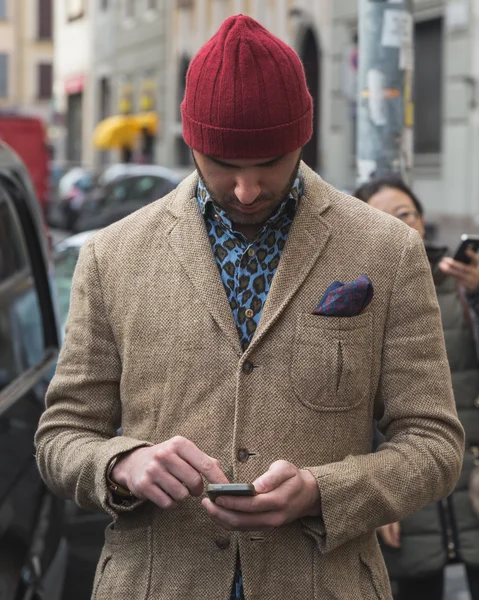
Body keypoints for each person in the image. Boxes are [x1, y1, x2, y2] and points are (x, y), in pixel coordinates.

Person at [35, 15, 464, 600]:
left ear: (302, 139)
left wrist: (323, 491)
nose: (245, 189)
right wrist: (122, 464)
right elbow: (61, 435)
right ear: (191, 143)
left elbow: (435, 444)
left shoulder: (385, 250)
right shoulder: (113, 255)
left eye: (268, 163)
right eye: (222, 165)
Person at [355, 177, 479, 600]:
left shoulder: (461, 287)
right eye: (382, 216)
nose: (399, 224)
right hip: (406, 484)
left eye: (405, 213)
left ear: (423, 221)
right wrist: (376, 493)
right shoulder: (356, 298)